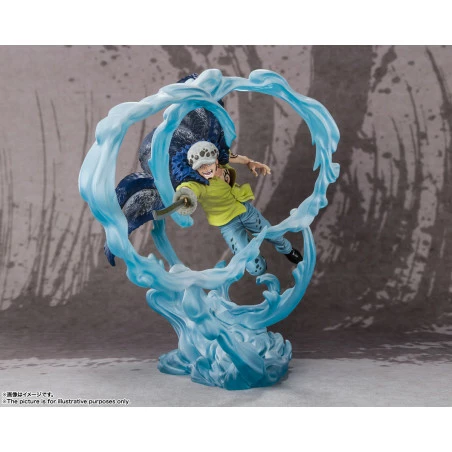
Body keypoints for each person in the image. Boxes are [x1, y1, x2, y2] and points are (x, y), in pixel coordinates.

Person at [174, 141, 303, 276]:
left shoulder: (223, 161)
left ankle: (288, 250)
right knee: (255, 268)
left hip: (246, 211)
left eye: (207, 163)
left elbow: (236, 157)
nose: (205, 168)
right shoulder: (198, 184)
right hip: (228, 224)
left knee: (275, 235)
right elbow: (188, 188)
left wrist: (250, 162)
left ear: (216, 160)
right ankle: (257, 261)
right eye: (200, 166)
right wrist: (185, 196)